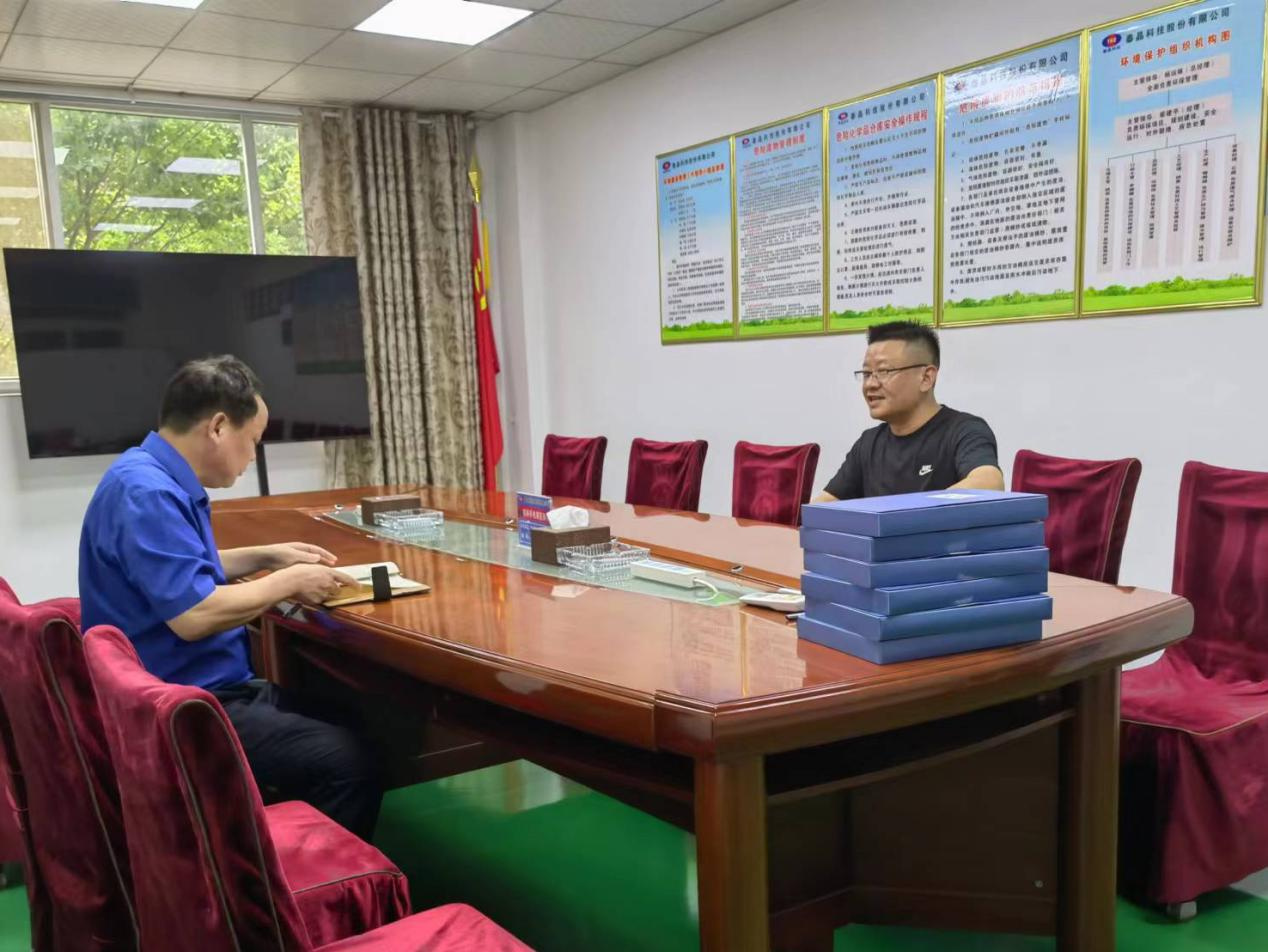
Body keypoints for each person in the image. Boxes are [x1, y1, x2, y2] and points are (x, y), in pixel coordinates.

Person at [79, 355, 382, 839]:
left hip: (190, 687)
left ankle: (275, 840)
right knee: (348, 761)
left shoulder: (144, 473)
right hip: (181, 707)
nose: (252, 456)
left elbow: (177, 564)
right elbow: (193, 615)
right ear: (219, 427)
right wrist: (290, 581)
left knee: (349, 717)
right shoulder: (148, 493)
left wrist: (268, 554)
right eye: (253, 441)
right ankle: (294, 880)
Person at [816, 321, 1004, 501]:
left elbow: (989, 483)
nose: (870, 384)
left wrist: (916, 513)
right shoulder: (869, 443)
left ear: (926, 378)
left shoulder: (964, 431)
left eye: (884, 371)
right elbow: (824, 505)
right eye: (866, 374)